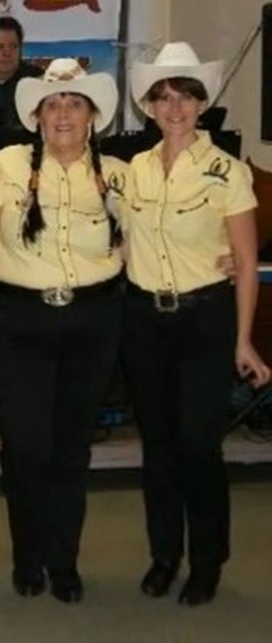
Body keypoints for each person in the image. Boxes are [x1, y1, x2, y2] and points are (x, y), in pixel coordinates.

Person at [124, 42, 271, 606]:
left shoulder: (227, 172)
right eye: (163, 96)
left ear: (201, 103)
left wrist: (242, 340)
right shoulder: (134, 169)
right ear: (150, 106)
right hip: (144, 320)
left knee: (198, 446)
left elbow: (247, 263)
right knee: (157, 446)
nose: (175, 106)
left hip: (203, 321)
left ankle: (207, 560)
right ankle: (164, 555)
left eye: (184, 95)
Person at [0, 59, 128, 604]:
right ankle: (28, 557)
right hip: (19, 322)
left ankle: (63, 560)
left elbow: (152, 238)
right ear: (37, 116)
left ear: (92, 115)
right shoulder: (5, 166)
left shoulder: (119, 174)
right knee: (24, 448)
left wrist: (222, 259)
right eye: (53, 104)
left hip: (92, 323)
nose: (64, 113)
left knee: (71, 449)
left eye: (75, 103)